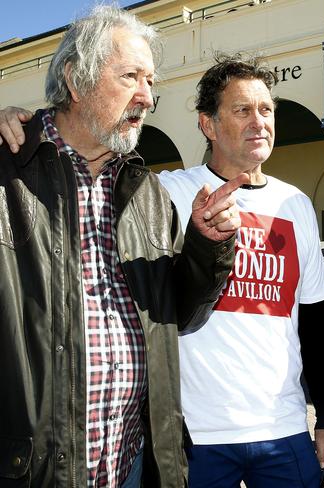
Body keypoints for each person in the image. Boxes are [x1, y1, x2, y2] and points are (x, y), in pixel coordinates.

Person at [0, 51, 324, 486]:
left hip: (283, 427)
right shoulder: (162, 192)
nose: (260, 121)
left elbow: (314, 319)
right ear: (208, 124)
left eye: (266, 109)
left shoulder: (295, 203)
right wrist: (19, 123)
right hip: (194, 434)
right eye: (242, 110)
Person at [0, 6, 241, 488]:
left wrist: (207, 247)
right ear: (75, 78)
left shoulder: (147, 193)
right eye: (131, 76)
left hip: (132, 463)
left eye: (151, 82)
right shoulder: (8, 172)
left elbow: (182, 315)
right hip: (33, 471)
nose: (147, 97)